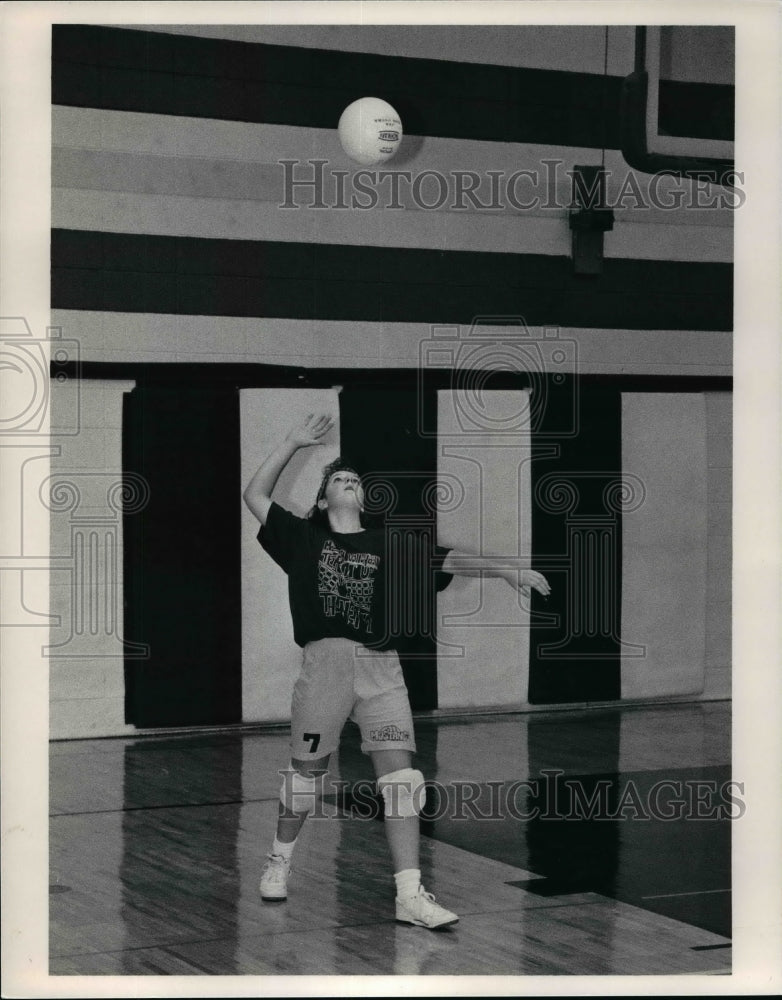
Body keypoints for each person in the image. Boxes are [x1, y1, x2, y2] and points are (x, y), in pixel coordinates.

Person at [243, 412, 551, 929]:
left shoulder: (393, 544)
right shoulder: (302, 540)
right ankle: (280, 859)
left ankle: (409, 894)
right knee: (305, 779)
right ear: (322, 500)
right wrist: (292, 442)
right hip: (326, 668)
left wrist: (509, 570)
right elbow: (255, 495)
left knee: (404, 780)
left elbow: (452, 559)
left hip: (381, 670)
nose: (347, 482)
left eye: (354, 480)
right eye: (337, 479)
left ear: (363, 499)